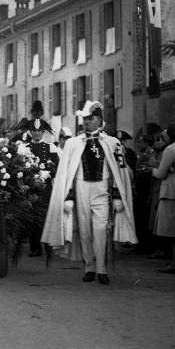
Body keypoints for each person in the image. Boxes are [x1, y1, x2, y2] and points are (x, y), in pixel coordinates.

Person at [41, 100, 137, 285]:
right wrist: (68, 196)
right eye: (84, 119)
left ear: (99, 120)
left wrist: (117, 195)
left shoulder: (113, 142)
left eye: (90, 118)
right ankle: (89, 267)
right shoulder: (73, 143)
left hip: (102, 190)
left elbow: (120, 171)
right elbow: (66, 173)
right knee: (84, 230)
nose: (86, 122)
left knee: (100, 230)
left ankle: (101, 268)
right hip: (81, 188)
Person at [17, 117, 60, 257]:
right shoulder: (24, 147)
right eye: (34, 131)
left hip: (45, 188)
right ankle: (35, 247)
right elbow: (19, 167)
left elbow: (57, 168)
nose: (36, 133)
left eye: (39, 131)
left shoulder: (50, 147)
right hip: (30, 187)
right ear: (30, 132)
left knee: (46, 216)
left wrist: (48, 173)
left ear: (43, 132)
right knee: (32, 217)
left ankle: (48, 246)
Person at [151, 122, 175, 274]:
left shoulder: (171, 149)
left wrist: (152, 170)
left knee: (174, 231)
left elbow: (161, 173)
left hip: (171, 191)